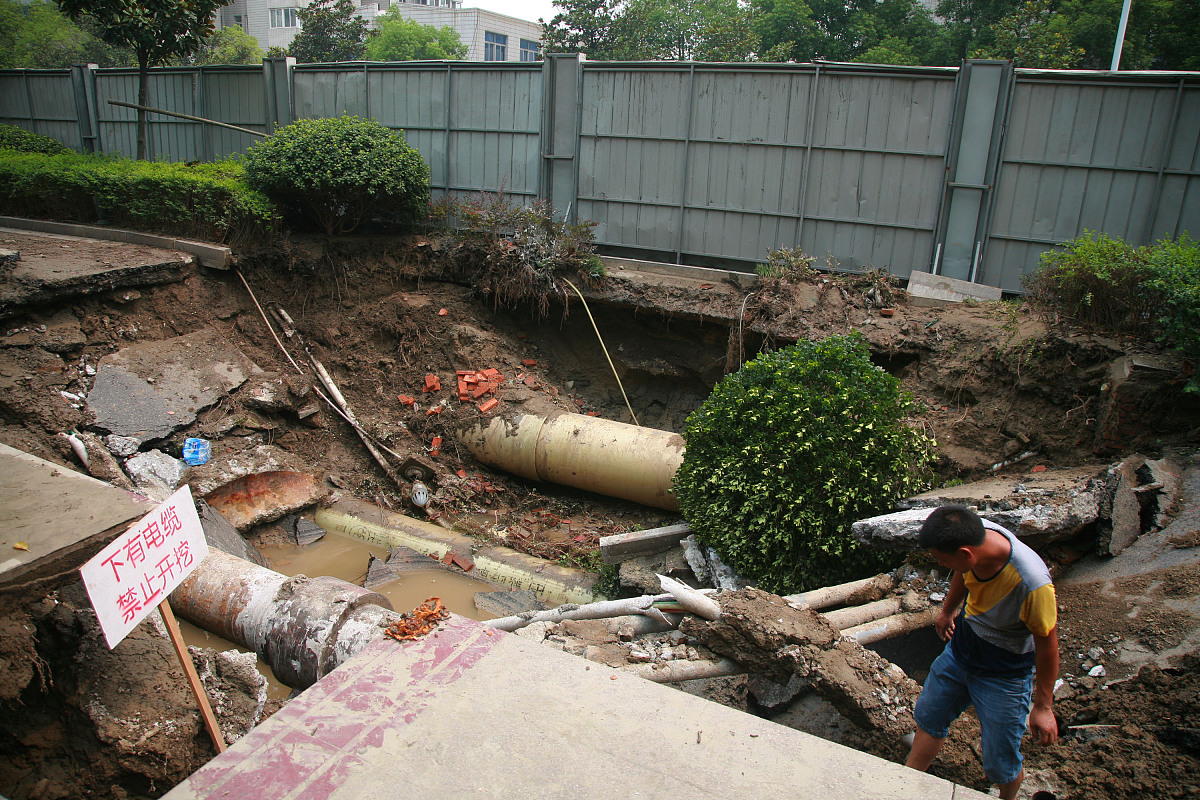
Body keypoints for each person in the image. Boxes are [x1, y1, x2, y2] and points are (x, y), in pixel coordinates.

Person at [905, 504, 1059, 800]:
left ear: (965, 553)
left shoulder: (1032, 584)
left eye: (941, 559)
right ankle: (908, 780)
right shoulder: (976, 541)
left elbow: (1048, 647)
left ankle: (1007, 796)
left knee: (1000, 758)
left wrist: (1043, 706)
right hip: (961, 651)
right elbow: (963, 572)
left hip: (1004, 673)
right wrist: (948, 610)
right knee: (930, 715)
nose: (941, 564)